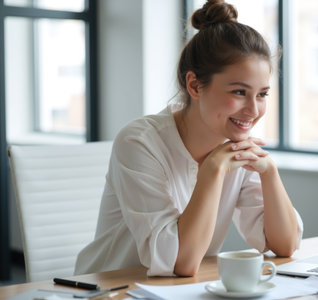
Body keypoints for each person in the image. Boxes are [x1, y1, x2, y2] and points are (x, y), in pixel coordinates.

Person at [75, 0, 303, 277]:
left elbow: (285, 245)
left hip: (179, 291)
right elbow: (179, 263)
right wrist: (212, 170)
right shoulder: (139, 142)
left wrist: (269, 173)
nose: (254, 111)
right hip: (111, 289)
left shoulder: (239, 148)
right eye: (239, 92)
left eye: (262, 94)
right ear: (194, 85)